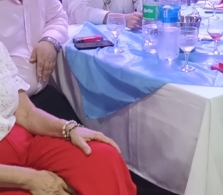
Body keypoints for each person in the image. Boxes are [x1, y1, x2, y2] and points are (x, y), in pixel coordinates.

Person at [0, 41, 136, 194]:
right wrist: (30, 179)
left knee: (103, 157)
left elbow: (26, 113)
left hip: (24, 140)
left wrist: (69, 128)